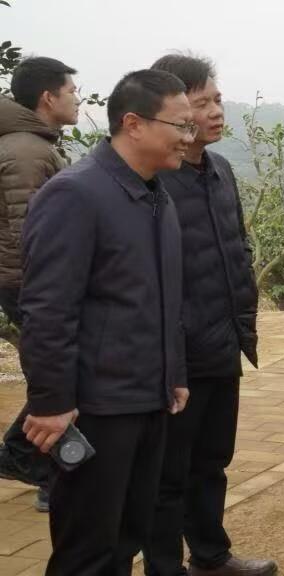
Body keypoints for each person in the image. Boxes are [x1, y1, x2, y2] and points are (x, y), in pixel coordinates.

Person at [19, 69, 192, 575]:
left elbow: (162, 297)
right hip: (97, 407)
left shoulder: (156, 193)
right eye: (180, 125)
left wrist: (174, 372)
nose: (189, 136)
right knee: (87, 549)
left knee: (126, 536)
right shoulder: (76, 194)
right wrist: (51, 403)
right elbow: (47, 308)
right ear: (133, 124)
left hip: (148, 397)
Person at [143, 54, 277, 576]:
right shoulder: (155, 179)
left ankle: (211, 554)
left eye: (217, 100)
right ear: (172, 110)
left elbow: (238, 245)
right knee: (167, 472)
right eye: (203, 103)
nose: (217, 112)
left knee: (212, 460)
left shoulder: (220, 170)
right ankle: (163, 566)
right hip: (176, 352)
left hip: (223, 341)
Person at [0, 56, 79, 512]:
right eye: (71, 91)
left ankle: (20, 454)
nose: (77, 99)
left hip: (32, 282)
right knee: (59, 374)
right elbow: (29, 234)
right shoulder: (27, 152)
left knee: (57, 373)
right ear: (48, 98)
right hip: (30, 284)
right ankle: (49, 475)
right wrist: (52, 292)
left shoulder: (34, 144)